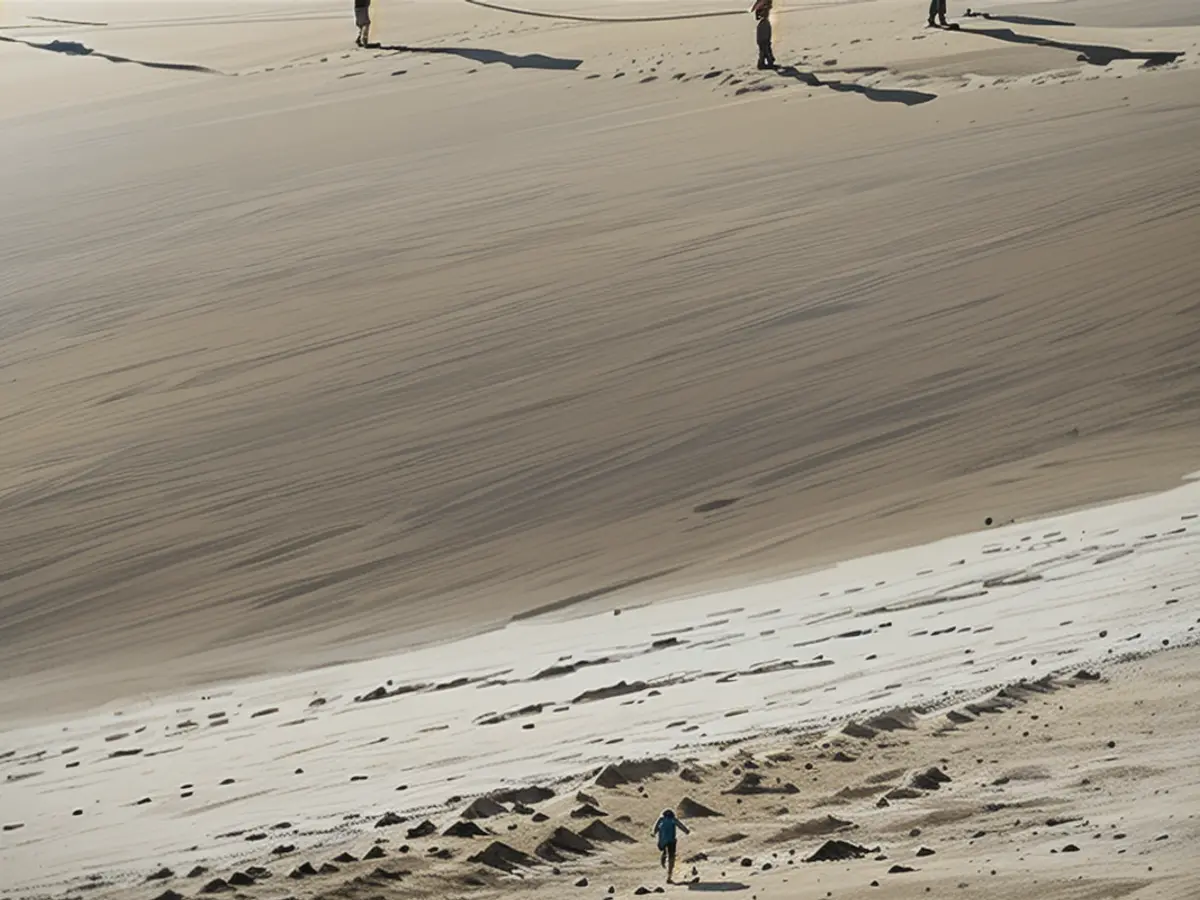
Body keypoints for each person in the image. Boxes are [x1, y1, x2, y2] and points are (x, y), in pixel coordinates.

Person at [653, 809, 690, 883]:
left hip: (662, 841)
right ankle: (669, 876)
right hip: (671, 841)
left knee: (665, 851)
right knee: (671, 858)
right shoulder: (673, 819)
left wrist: (654, 832)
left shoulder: (661, 819)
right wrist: (686, 831)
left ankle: (664, 855)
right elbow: (680, 825)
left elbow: (655, 828)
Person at [750, 0, 776, 69]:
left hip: (764, 24)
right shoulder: (763, 22)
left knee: (765, 44)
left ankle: (766, 62)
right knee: (764, 45)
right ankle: (765, 62)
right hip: (763, 24)